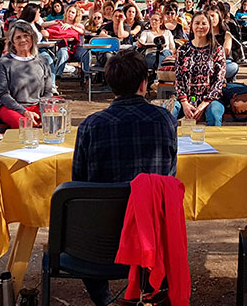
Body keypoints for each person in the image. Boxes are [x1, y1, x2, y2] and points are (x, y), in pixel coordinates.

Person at [71, 49, 177, 306]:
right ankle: (149, 290)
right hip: (150, 232)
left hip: (100, 239)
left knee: (82, 227)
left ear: (110, 84)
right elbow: (169, 176)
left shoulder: (91, 125)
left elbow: (79, 184)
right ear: (145, 83)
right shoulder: (164, 120)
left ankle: (104, 300)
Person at [0, 21, 58, 129]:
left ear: (32, 38)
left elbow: (48, 91)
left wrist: (44, 107)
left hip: (38, 105)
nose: (23, 40)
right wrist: (23, 112)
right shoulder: (4, 62)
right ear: (12, 42)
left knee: (54, 121)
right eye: (18, 37)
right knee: (24, 126)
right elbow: (3, 94)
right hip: (11, 107)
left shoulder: (42, 61)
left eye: (26, 36)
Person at [173, 11, 226, 126]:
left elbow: (219, 81)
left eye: (204, 23)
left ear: (210, 26)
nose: (200, 27)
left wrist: (204, 104)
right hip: (187, 98)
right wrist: (185, 103)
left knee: (214, 114)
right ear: (191, 25)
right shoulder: (183, 50)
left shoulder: (217, 50)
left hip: (211, 100)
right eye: (197, 23)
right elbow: (178, 79)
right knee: (169, 111)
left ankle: (213, 143)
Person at [42, 3, 90, 81]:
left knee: (86, 53)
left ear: (76, 15)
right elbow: (43, 24)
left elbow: (82, 32)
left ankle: (87, 76)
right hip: (63, 47)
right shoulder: (60, 22)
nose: (70, 14)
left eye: (73, 12)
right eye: (69, 11)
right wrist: (55, 22)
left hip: (76, 49)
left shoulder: (78, 25)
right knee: (62, 52)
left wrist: (71, 26)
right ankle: (57, 76)